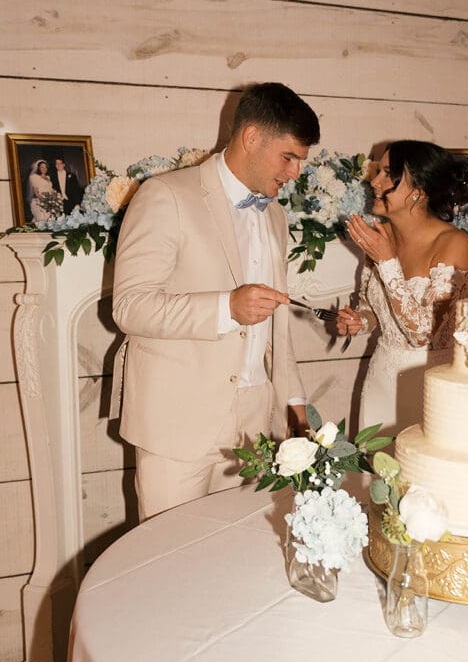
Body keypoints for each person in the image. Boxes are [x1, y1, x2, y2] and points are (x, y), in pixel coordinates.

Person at [111, 82, 320, 520]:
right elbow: (129, 306)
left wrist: (294, 404)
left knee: (230, 560)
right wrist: (227, 307)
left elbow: (275, 326)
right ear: (250, 138)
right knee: (166, 561)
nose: (296, 172)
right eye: (289, 156)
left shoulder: (276, 215)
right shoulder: (165, 195)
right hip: (177, 423)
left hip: (252, 424)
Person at [336, 140, 468, 436]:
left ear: (418, 191)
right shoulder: (382, 236)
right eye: (378, 171)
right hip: (381, 379)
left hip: (428, 385)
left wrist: (387, 262)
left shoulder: (453, 244)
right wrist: (359, 320)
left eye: (387, 174)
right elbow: (373, 304)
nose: (374, 181)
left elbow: (424, 333)